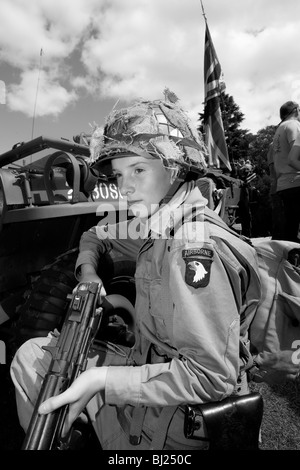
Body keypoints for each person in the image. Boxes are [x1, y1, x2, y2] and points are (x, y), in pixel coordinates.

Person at [10, 91, 261, 450]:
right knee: (32, 356)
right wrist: (89, 276)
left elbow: (211, 378)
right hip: (154, 380)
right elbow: (95, 235)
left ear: (173, 167)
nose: (124, 187)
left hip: (176, 428)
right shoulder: (160, 224)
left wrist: (104, 380)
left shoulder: (194, 247)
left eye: (139, 170)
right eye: (118, 174)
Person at [272, 100, 300, 242]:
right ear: (296, 110)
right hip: (296, 182)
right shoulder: (293, 125)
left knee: (291, 232)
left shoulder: (279, 130)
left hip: (284, 185)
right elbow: (295, 156)